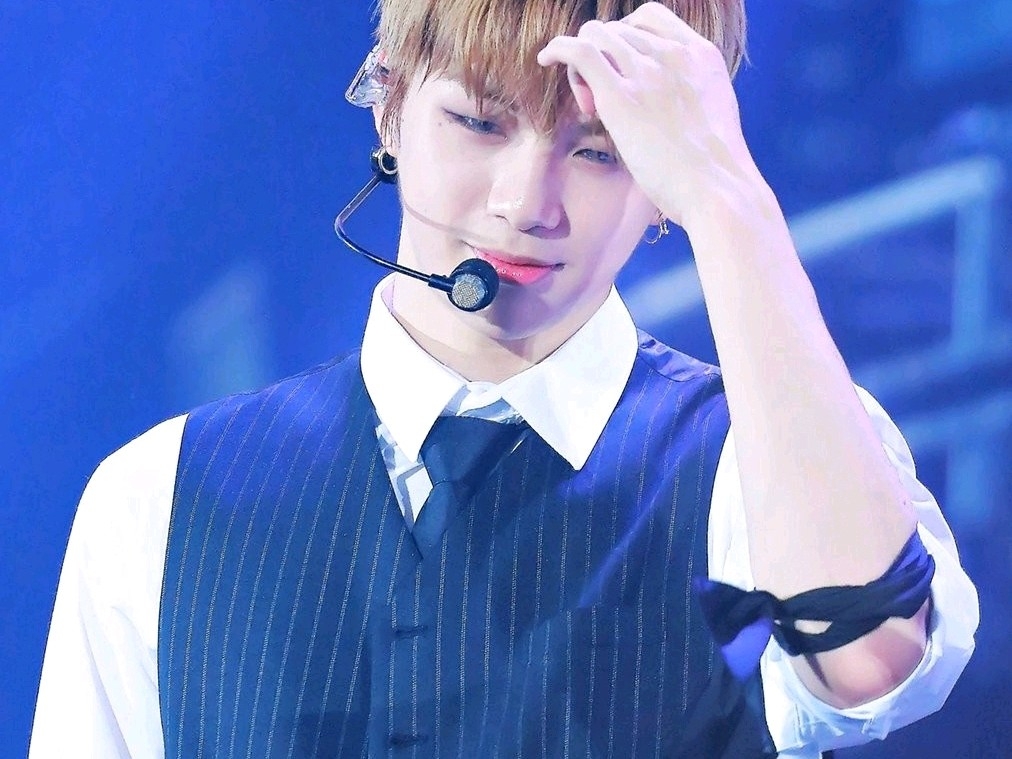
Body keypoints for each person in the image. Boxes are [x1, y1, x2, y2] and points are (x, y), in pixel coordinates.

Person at [31, 1, 978, 757]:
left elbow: (872, 658)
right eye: (480, 123)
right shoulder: (160, 494)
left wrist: (730, 201)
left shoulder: (759, 457)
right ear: (390, 104)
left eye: (599, 150)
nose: (527, 204)